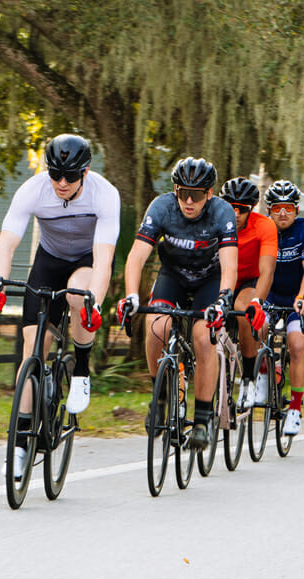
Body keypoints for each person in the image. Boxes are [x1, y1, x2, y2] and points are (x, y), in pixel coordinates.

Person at [0, 134, 120, 476]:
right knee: (33, 347)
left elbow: (104, 259)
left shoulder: (104, 194)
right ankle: (18, 446)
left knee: (77, 294)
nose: (61, 183)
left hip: (88, 260)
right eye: (55, 174)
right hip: (49, 260)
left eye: (70, 177)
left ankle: (81, 369)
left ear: (85, 173)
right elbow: (5, 243)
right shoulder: (33, 190)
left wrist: (95, 304)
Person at [120, 157, 238, 450]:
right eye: (182, 192)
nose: (188, 200)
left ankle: (200, 420)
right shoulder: (162, 207)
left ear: (209, 194)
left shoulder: (222, 212)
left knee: (202, 337)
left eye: (196, 195)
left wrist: (224, 298)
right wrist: (132, 295)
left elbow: (229, 264)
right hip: (172, 275)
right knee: (156, 325)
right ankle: (159, 397)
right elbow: (136, 256)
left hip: (208, 280)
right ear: (175, 189)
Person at [259, 180, 304, 436]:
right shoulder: (264, 229)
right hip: (271, 294)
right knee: (256, 327)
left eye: (288, 208)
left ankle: (295, 409)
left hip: (299, 296)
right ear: (269, 210)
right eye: (276, 208)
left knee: (296, 345)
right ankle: (264, 372)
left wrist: (303, 296)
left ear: (296, 209)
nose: (282, 213)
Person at [218, 177, 278, 409]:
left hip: (248, 280)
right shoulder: (214, 221)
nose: (234, 213)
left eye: (241, 209)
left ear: (251, 209)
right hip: (222, 276)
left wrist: (257, 301)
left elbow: (267, 271)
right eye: (229, 207)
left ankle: (248, 379)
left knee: (244, 311)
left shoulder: (264, 226)